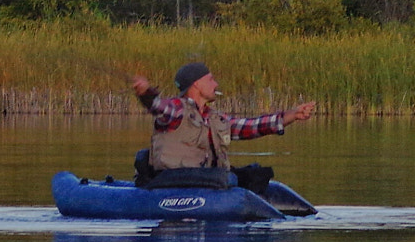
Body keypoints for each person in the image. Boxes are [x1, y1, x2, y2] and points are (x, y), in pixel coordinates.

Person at [131, 62, 316, 185]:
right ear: (196, 84)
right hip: (176, 181)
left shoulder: (215, 118)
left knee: (256, 175)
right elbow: (157, 106)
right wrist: (146, 92)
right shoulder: (177, 109)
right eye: (210, 80)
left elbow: (251, 127)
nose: (216, 84)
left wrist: (292, 115)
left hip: (208, 181)